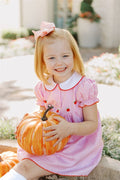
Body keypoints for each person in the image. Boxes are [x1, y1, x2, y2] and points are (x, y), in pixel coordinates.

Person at [0, 21, 103, 180]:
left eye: (65, 56)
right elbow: (42, 115)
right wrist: (27, 127)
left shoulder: (83, 87)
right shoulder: (43, 87)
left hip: (76, 145)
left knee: (26, 167)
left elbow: (92, 125)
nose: (60, 62)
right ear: (43, 61)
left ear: (74, 55)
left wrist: (69, 128)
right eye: (52, 58)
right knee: (27, 163)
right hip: (51, 140)